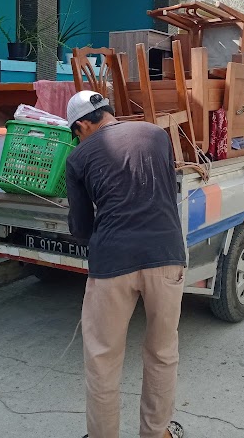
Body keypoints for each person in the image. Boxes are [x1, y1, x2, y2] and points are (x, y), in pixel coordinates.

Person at [65, 90, 186, 438]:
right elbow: (167, 190)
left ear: (84, 124)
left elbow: (83, 228)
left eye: (77, 131)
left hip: (112, 262)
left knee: (102, 359)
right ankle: (157, 432)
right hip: (165, 255)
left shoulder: (78, 157)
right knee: (163, 352)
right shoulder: (156, 135)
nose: (78, 138)